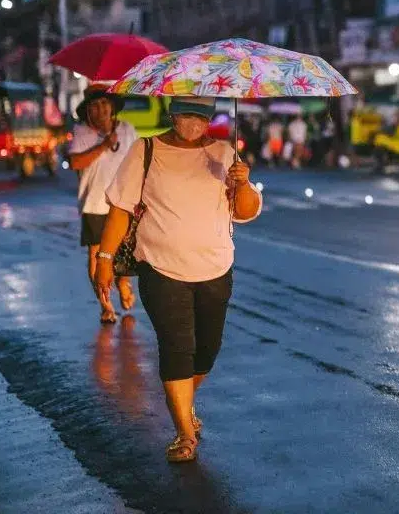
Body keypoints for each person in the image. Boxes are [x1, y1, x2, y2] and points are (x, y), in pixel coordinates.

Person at [93, 96, 262, 463]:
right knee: (177, 347)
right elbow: (121, 209)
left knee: (207, 350)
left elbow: (245, 212)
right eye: (187, 114)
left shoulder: (224, 152)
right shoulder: (146, 149)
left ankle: (182, 398)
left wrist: (244, 183)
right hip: (160, 267)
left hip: (215, 268)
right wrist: (104, 258)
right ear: (172, 114)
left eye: (201, 116)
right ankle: (184, 432)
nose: (194, 123)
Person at [68, 85, 140, 324]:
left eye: (104, 105)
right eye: (94, 106)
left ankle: (123, 282)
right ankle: (106, 304)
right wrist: (103, 146)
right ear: (87, 111)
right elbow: (76, 163)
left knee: (125, 253)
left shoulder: (129, 131)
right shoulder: (82, 133)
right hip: (95, 205)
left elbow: (140, 164)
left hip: (124, 204)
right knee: (97, 256)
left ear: (113, 108)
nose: (99, 110)